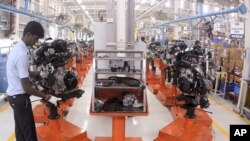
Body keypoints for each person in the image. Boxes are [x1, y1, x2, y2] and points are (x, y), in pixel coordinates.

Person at [6, 21, 57, 141]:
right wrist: (46, 96)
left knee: (21, 132)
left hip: (13, 98)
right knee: (29, 134)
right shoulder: (21, 54)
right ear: (28, 34)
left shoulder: (18, 48)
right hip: (20, 99)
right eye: (36, 38)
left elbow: (25, 72)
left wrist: (41, 73)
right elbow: (27, 88)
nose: (36, 41)